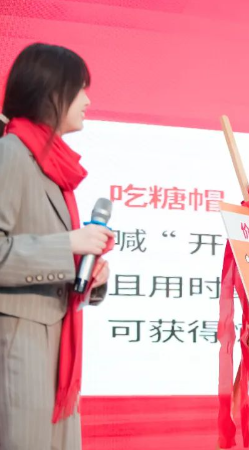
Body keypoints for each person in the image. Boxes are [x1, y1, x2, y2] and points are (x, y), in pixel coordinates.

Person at [0, 43, 114, 450]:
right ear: (51, 91)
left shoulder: (49, 164)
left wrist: (90, 273)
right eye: (80, 89)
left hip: (55, 341)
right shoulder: (11, 153)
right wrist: (67, 245)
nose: (87, 101)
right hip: (19, 341)